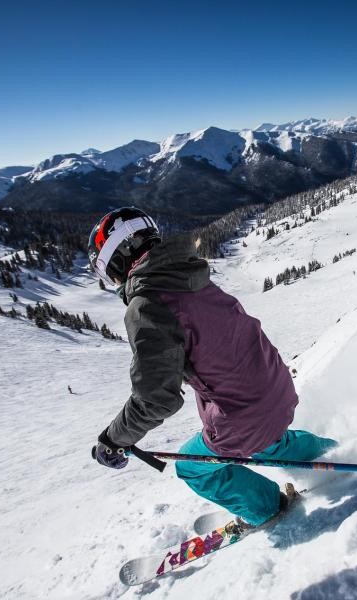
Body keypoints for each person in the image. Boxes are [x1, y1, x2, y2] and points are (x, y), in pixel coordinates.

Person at [88, 207, 336, 527]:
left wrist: (114, 438)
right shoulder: (189, 276)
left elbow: (156, 398)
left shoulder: (148, 303)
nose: (112, 280)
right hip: (276, 388)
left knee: (191, 467)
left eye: (107, 271)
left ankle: (267, 508)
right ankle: (335, 454)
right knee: (267, 440)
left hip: (244, 412)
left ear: (118, 259)